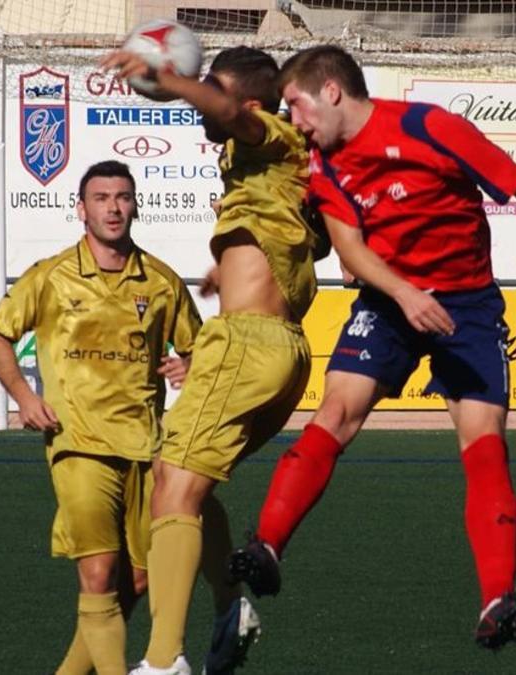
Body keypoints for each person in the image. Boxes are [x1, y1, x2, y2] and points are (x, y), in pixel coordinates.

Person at [228, 45, 516, 653]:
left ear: (332, 91)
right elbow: (351, 250)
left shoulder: (429, 126)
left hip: (468, 306)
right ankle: (265, 546)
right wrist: (403, 293)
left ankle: (499, 599)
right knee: (336, 413)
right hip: (390, 301)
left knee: (483, 442)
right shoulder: (325, 165)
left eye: (296, 103)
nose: (293, 118)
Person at [101, 46, 324, 675]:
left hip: (247, 343)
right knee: (185, 483)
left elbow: (232, 110)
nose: (204, 96)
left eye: (214, 88)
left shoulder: (269, 135)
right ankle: (229, 607)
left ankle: (163, 658)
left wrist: (169, 79)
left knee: (168, 491)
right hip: (272, 346)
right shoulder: (256, 167)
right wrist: (224, 268)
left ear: (247, 104)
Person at [0, 160, 201, 675]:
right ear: (81, 209)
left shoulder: (162, 281)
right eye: (101, 198)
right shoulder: (52, 276)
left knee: (140, 581)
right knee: (99, 573)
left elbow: (197, 349)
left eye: (123, 197)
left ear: (135, 206)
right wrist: (22, 394)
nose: (113, 207)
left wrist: (187, 364)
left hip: (147, 448)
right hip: (77, 443)